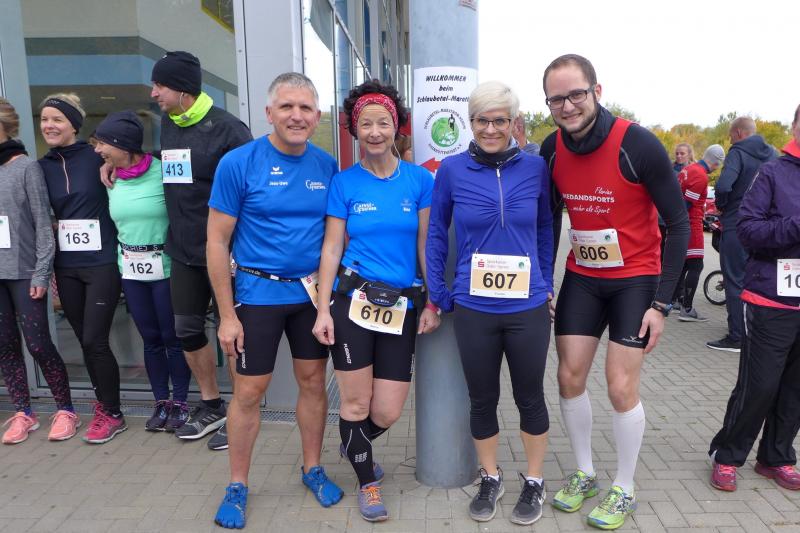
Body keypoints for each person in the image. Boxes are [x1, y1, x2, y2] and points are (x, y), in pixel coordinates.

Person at [540, 54, 689, 530]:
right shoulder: (551, 148)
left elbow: (679, 224)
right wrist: (544, 282)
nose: (568, 106)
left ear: (597, 91)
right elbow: (549, 219)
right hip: (583, 277)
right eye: (556, 99)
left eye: (576, 94)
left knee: (621, 385)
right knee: (568, 377)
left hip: (635, 279)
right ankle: (585, 472)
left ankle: (624, 486)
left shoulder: (637, 144)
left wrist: (662, 304)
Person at [208, 73, 344, 529]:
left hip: (309, 297)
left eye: (305, 108)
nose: (296, 116)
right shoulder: (238, 163)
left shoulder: (326, 165)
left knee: (313, 383)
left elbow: (335, 237)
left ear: (317, 116)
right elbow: (216, 241)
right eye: (286, 107)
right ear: (269, 113)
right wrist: (226, 316)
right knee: (250, 391)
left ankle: (312, 468)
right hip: (256, 294)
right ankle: (238, 484)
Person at [104, 51, 253, 449]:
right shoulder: (170, 124)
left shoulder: (229, 129)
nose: (154, 93)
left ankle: (242, 413)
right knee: (186, 330)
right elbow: (173, 166)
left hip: (227, 254)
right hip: (183, 253)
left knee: (233, 337)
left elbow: (253, 191)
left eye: (160, 86)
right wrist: (119, 166)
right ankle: (211, 404)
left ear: (183, 89)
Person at [426, 81, 553, 526]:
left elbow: (545, 228)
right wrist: (438, 292)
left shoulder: (535, 168)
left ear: (514, 122)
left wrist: (545, 281)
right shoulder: (452, 170)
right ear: (471, 122)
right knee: (482, 399)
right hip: (474, 306)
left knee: (530, 397)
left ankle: (534, 480)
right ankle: (490, 476)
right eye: (482, 120)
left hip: (526, 306)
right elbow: (437, 232)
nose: (491, 129)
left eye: (500, 120)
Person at [312, 79, 440, 522]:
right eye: (365, 124)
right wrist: (323, 309)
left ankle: (355, 444)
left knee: (386, 411)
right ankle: (367, 483)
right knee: (355, 404)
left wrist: (433, 301)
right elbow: (332, 247)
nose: (374, 132)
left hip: (401, 307)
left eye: (383, 122)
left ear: (396, 126)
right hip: (352, 304)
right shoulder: (344, 183)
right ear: (354, 129)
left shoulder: (420, 180)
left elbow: (425, 245)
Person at [708, 104, 800, 492]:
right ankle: (728, 454)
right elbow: (747, 230)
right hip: (770, 298)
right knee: (759, 385)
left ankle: (776, 456)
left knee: (794, 387)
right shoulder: (773, 172)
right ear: (795, 127)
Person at [94, 111, 191, 432]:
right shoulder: (109, 177)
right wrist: (106, 166)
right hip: (131, 270)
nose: (98, 150)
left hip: (166, 268)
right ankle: (161, 402)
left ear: (123, 143)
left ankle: (181, 402)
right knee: (150, 339)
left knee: (172, 338)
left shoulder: (163, 171)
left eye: (103, 143)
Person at [38, 93, 126, 444]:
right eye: (44, 119)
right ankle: (103, 404)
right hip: (67, 266)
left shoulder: (97, 157)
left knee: (94, 339)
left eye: (57, 119)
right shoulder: (41, 167)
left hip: (102, 262)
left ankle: (113, 413)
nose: (49, 125)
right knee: (85, 341)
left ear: (74, 125)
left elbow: (136, 163)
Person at [0, 98, 79, 444]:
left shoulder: (25, 167)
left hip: (24, 271)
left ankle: (66, 409)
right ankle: (24, 413)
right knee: (4, 346)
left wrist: (41, 273)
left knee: (38, 344)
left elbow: (44, 225)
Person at [707, 116, 776, 353]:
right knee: (758, 279)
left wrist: (722, 205)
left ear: (738, 133)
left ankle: (737, 336)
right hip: (765, 228)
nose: (729, 140)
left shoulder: (737, 152)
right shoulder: (774, 154)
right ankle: (756, 332)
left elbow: (724, 185)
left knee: (734, 280)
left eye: (730, 135)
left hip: (737, 224)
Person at [675, 144, 725, 322]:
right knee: (696, 266)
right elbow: (686, 205)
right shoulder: (700, 176)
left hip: (684, 225)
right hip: (691, 225)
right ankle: (687, 308)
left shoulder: (688, 169)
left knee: (684, 265)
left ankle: (674, 300)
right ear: (716, 162)